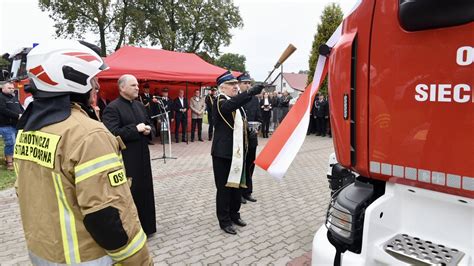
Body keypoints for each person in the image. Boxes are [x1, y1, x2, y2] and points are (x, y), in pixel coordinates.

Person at [14, 40, 151, 265]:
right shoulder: (88, 134)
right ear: (74, 77)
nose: (96, 86)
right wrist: (140, 261)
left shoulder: (27, 129)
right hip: (87, 257)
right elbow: (107, 216)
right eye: (92, 79)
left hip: (43, 254)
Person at [102, 74, 157, 236]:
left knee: (145, 191)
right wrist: (135, 129)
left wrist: (148, 130)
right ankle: (132, 230)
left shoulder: (140, 105)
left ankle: (148, 227)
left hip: (143, 157)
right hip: (126, 159)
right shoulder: (112, 108)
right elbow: (111, 133)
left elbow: (150, 125)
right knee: (131, 194)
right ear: (122, 88)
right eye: (133, 85)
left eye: (138, 85)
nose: (137, 88)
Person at [211, 70, 264, 235]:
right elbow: (228, 108)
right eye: (231, 84)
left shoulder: (236, 103)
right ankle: (224, 220)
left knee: (235, 188)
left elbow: (240, 122)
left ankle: (235, 215)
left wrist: (251, 131)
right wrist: (249, 92)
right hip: (223, 153)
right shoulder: (220, 101)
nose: (235, 87)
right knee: (224, 188)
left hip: (237, 152)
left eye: (236, 84)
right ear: (222, 88)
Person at [237, 72, 260, 204]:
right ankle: (238, 192)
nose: (247, 85)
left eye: (249, 83)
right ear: (239, 84)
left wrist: (257, 128)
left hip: (252, 138)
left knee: (250, 164)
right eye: (245, 83)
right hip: (239, 139)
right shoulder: (236, 98)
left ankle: (247, 191)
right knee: (240, 165)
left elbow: (258, 117)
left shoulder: (255, 99)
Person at [0, 81, 24, 170]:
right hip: (6, 125)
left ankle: (14, 160)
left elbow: (21, 109)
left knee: (16, 143)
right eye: (9, 88)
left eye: (12, 88)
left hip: (16, 125)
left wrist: (24, 115)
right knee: (10, 143)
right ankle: (9, 163)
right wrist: (17, 116)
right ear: (3, 88)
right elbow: (3, 110)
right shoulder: (1, 97)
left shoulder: (14, 98)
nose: (11, 89)